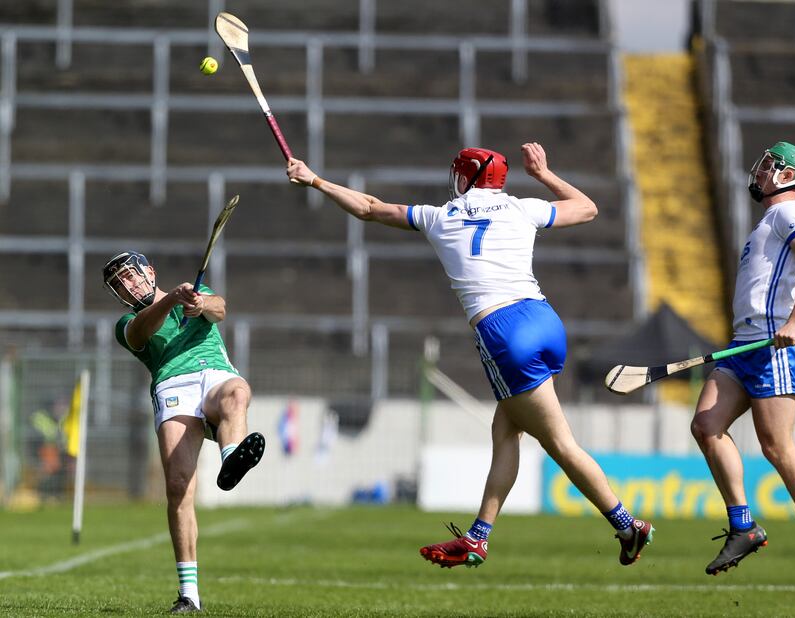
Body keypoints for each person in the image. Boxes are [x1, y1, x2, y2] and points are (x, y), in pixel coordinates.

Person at [286, 143, 654, 568]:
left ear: (469, 178)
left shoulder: (440, 216)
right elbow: (587, 208)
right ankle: (479, 535)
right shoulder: (521, 208)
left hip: (504, 333)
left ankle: (628, 526)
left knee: (560, 444)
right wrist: (544, 174)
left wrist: (314, 179)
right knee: (507, 427)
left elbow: (368, 207)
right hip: (545, 320)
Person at [102, 251, 265, 613]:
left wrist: (200, 301)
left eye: (129, 276)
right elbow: (143, 330)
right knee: (178, 488)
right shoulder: (128, 323)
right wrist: (173, 299)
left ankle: (230, 459)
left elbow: (220, 309)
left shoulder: (195, 290)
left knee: (238, 393)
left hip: (213, 373)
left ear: (149, 272)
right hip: (173, 384)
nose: (127, 286)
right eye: (119, 285)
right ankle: (189, 594)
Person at [690, 141, 795, 575]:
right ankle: (743, 526)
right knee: (706, 425)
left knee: (776, 446)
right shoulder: (769, 221)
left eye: (769, 166)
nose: (759, 172)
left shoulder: (788, 213)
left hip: (773, 343)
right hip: (743, 346)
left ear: (788, 175)